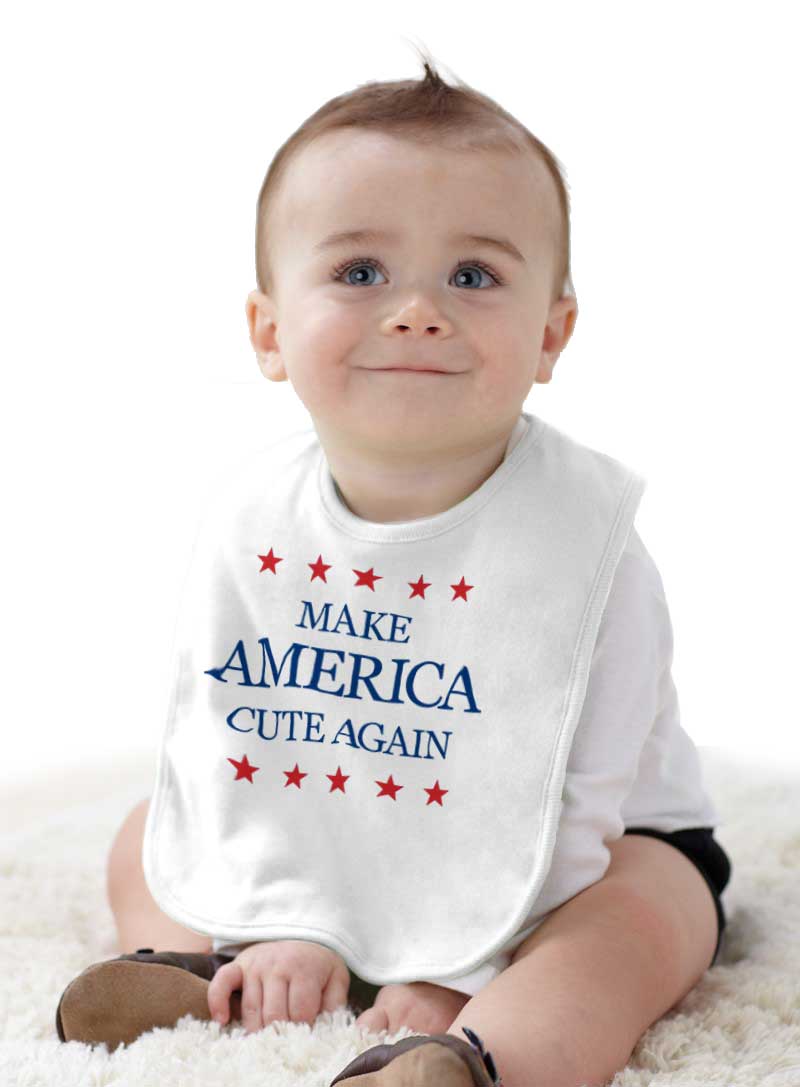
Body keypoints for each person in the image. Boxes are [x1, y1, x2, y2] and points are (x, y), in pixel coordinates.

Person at [56, 47, 732, 1087]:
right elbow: (235, 739)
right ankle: (207, 964)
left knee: (647, 908)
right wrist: (280, 916)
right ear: (268, 331)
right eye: (360, 272)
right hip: (343, 820)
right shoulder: (254, 521)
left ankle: (477, 1053)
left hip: (577, 855)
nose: (417, 309)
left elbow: (575, 801)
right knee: (153, 827)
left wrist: (460, 965)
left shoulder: (582, 544)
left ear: (550, 334)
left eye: (474, 276)